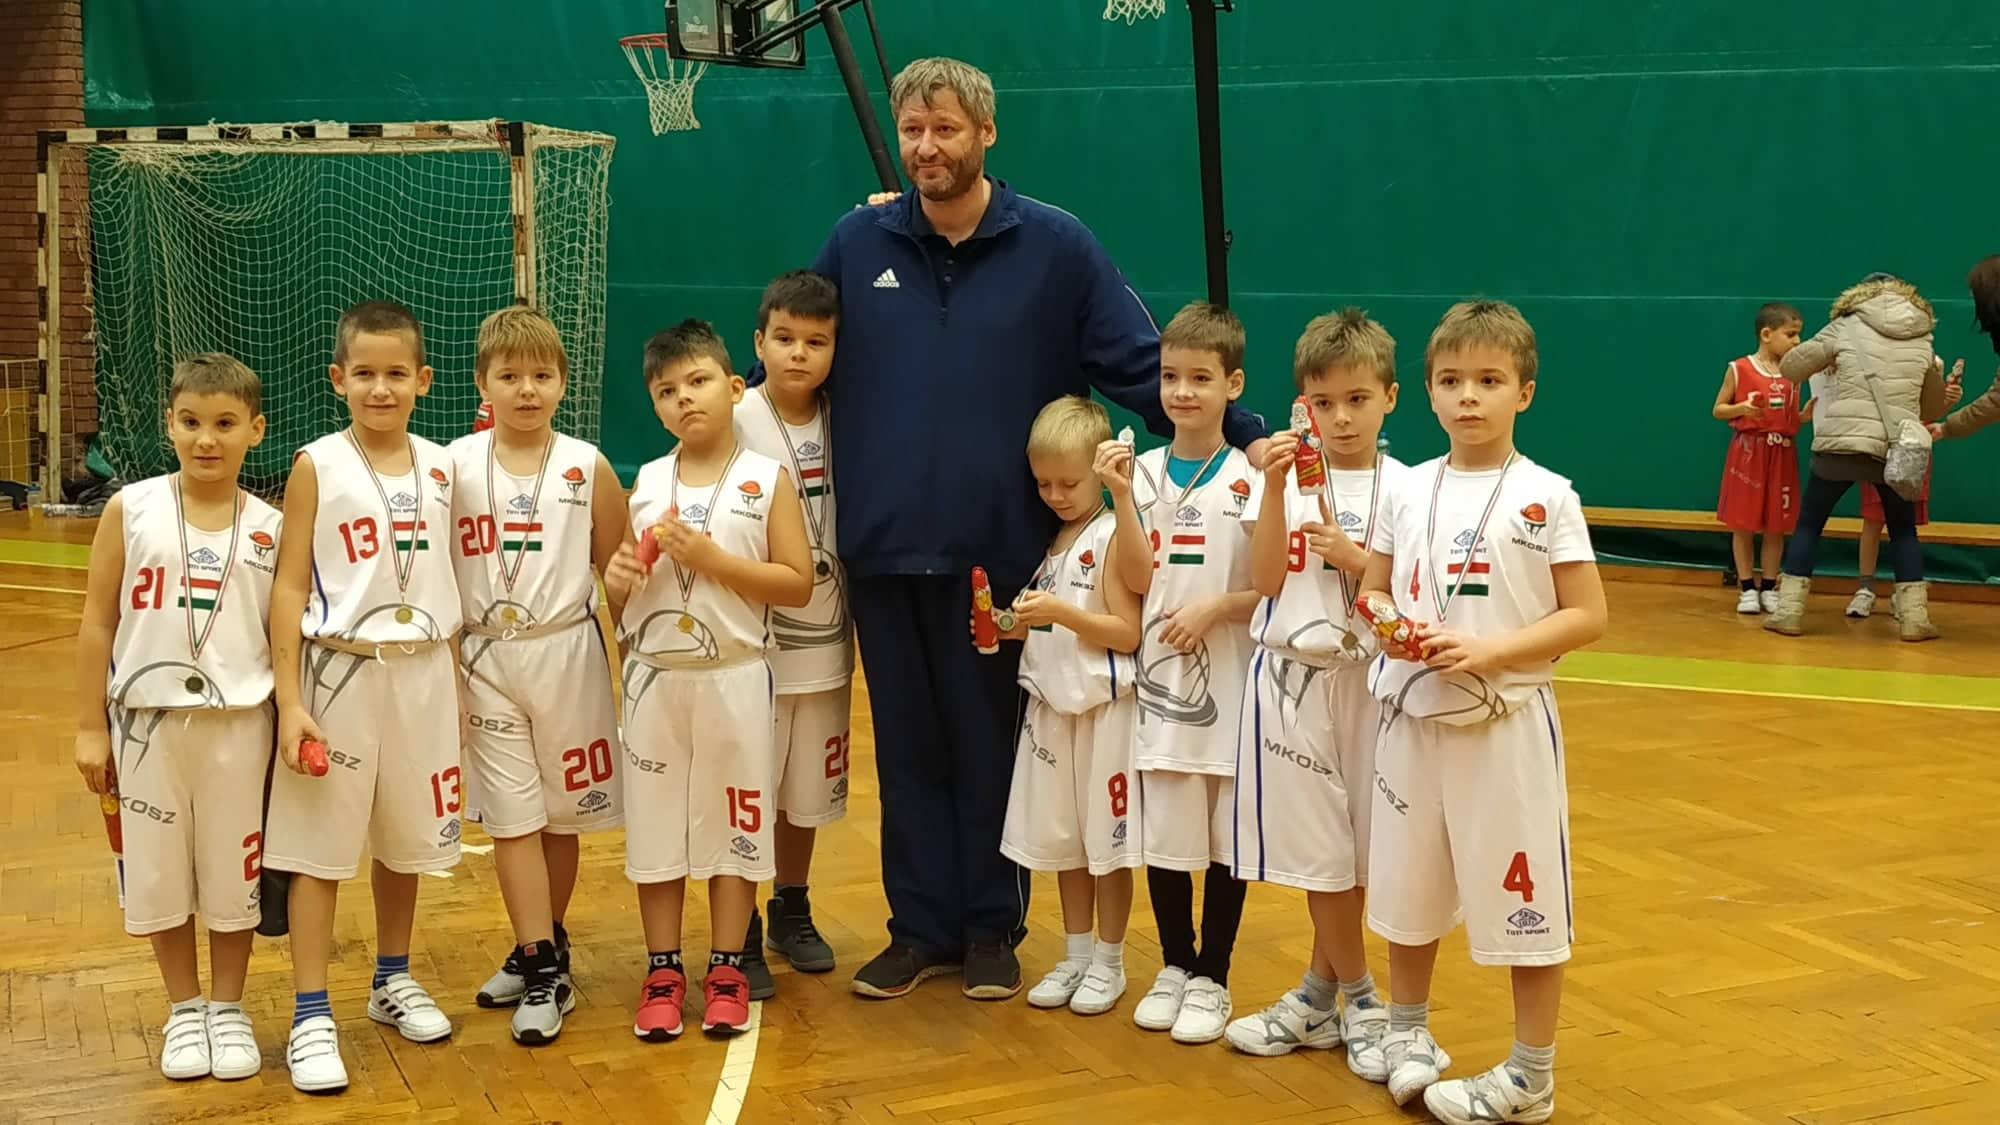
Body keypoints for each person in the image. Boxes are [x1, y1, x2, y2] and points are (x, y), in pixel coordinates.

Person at [758, 56, 1268, 1002]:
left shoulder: (1058, 246)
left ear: (986, 133)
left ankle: (992, 927)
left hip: (1004, 562)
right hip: (882, 551)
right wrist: (717, 421)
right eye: (913, 129)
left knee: (993, 745)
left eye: (945, 128)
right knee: (908, 754)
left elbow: (1141, 363)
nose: (926, 147)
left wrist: (1249, 433)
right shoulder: (857, 239)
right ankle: (920, 930)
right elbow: (796, 355)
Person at [1358, 300, 1606, 1124]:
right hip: (1413, 716)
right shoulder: (1406, 488)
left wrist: (1492, 650)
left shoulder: (1548, 495)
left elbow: (1588, 615)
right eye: (1452, 380)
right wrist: (1393, 627)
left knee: (1526, 901)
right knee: (1408, 883)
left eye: (1490, 380)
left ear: (1524, 392)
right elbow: (1373, 589)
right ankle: (1406, 1033)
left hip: (1506, 725)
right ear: (1428, 391)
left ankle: (1531, 1074)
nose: (1469, 396)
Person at [264, 301, 465, 1093]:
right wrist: (290, 700)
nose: (381, 388)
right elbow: (288, 586)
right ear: (337, 378)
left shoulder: (443, 466)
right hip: (341, 672)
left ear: (424, 380)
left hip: (423, 672)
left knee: (406, 839)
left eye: (396, 374)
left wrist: (456, 682)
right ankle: (311, 1011)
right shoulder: (316, 463)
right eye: (365, 374)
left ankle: (392, 976)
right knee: (318, 850)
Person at [73, 354, 279, 1083]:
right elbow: (98, 621)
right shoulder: (130, 509)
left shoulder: (272, 527)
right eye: (191, 422)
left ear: (255, 429)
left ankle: (228, 1006)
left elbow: (282, 636)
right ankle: (184, 1007)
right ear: (169, 424)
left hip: (240, 725)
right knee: (158, 873)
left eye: (224, 423)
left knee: (233, 875)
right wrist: (90, 724)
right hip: (146, 725)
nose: (206, 439)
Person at [607, 320, 814, 1040]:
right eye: (667, 391)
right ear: (655, 406)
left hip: (734, 675)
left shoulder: (766, 478)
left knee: (738, 824)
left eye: (697, 382)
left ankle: (727, 966)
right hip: (656, 679)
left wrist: (713, 559)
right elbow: (621, 599)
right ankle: (663, 969)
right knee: (656, 829)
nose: (684, 399)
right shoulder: (647, 480)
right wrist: (618, 579)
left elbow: (797, 583)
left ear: (733, 387)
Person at [1224, 309, 1406, 1075]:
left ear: (1390, 396)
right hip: (1291, 680)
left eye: (1358, 399)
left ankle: (1315, 996)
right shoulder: (1282, 479)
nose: (1342, 417)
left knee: (1357, 853)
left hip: (1373, 683)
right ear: (1304, 402)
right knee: (1320, 853)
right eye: (1324, 402)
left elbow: (1408, 595)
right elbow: (1266, 580)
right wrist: (1272, 490)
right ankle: (1359, 998)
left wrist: (1356, 558)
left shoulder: (1409, 489)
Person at [449, 306, 628, 1044]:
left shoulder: (588, 464)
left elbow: (618, 572)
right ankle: (541, 963)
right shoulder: (452, 466)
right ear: (482, 383)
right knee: (512, 817)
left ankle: (543, 943)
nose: (527, 389)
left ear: (562, 382)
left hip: (568, 653)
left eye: (542, 375)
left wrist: (635, 665)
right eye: (510, 376)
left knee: (561, 815)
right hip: (486, 658)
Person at [1100, 301, 1259, 1045]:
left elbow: (1271, 585)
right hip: (1160, 686)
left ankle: (1214, 974)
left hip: (1230, 682)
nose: (1183, 391)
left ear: (1234, 385)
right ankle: (1174, 963)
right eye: (1170, 377)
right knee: (1165, 829)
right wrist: (1119, 496)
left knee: (1225, 836)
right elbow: (1137, 578)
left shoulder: (1252, 478)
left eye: (1200, 377)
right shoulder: (1143, 471)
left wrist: (1217, 608)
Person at [988, 395, 1143, 1017]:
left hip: (1104, 713)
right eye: (1043, 483)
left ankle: (1110, 960)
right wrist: (1012, 626)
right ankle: (1077, 954)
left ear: (1098, 475)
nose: (1055, 495)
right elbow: (1052, 625)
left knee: (1107, 848)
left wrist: (1060, 612)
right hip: (1051, 711)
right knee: (1066, 845)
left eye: (1068, 483)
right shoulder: (1053, 539)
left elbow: (1125, 633)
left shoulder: (1111, 535)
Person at [731, 272, 849, 998]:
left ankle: (791, 906)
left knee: (805, 786)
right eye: (784, 338)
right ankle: (737, 923)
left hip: (829, 633)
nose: (798, 354)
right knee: (752, 781)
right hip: (755, 638)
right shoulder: (735, 414)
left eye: (816, 341)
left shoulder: (848, 414)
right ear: (758, 342)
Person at [1765, 275, 1949, 641]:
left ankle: (1788, 612)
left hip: (1841, 441)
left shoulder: (1845, 325)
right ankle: (1914, 619)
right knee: (1903, 530)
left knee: (1810, 524)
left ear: (1860, 296)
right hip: (1892, 448)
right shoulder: (1923, 337)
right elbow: (1930, 408)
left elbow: (1791, 368)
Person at [1849, 358, 1959, 618]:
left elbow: (1929, 414)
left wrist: (1949, 400)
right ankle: (1865, 589)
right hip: (1880, 450)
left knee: (1905, 525)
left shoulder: (1930, 362)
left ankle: (1904, 592)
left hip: (1912, 456)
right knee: (1872, 522)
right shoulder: (1883, 362)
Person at [1712, 303, 1803, 614]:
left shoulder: (1795, 374)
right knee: (1743, 524)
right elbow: (1718, 409)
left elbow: (1789, 417)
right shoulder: (1739, 368)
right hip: (1748, 453)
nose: (1797, 341)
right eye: (1790, 334)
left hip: (1782, 453)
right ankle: (1747, 587)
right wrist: (1742, 409)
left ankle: (1769, 586)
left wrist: (1804, 416)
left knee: (1776, 525)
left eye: (1798, 334)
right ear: (1766, 334)